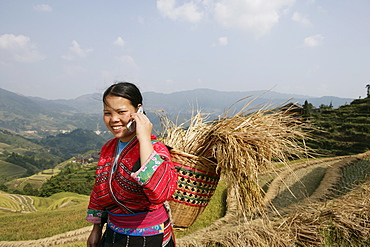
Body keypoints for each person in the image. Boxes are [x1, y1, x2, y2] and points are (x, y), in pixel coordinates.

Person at [86, 82, 178, 247]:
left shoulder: (155, 148)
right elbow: (99, 188)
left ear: (138, 111)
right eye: (107, 113)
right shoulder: (108, 148)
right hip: (114, 233)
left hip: (150, 237)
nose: (114, 119)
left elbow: (159, 192)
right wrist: (96, 228)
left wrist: (143, 137)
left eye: (121, 112)